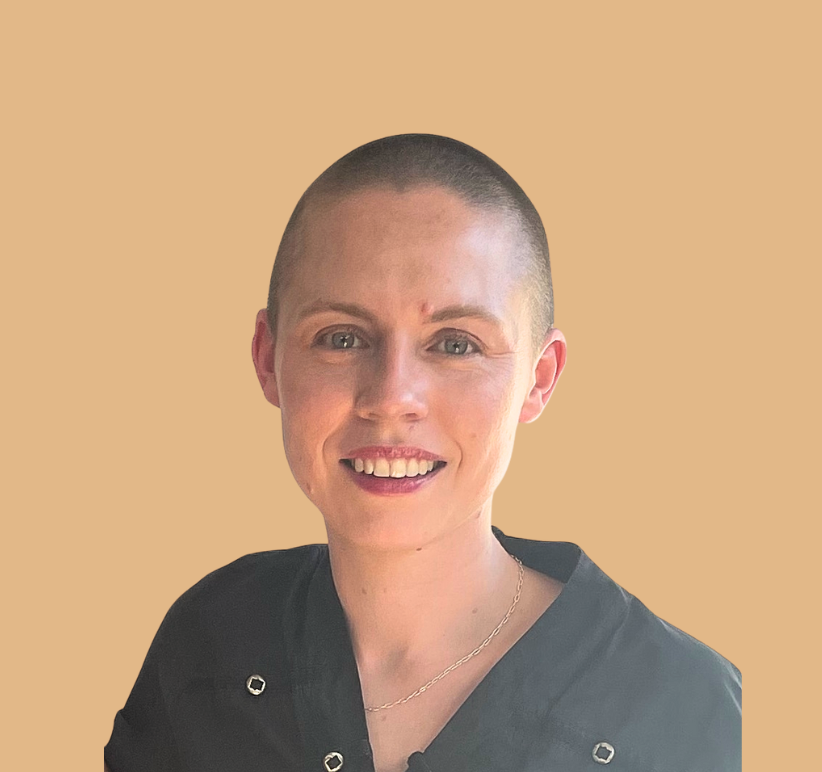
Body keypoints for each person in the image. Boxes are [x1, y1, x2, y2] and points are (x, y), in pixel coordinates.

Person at [105, 134, 741, 772]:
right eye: (342, 337)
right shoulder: (208, 642)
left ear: (540, 377)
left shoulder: (692, 715)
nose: (391, 397)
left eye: (456, 344)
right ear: (270, 361)